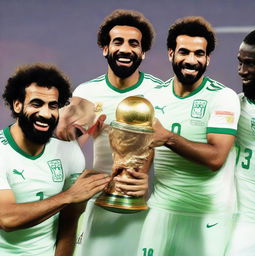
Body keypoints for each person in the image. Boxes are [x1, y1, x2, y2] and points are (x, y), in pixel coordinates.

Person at [55, 9, 163, 256]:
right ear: (105, 49)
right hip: (101, 202)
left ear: (142, 52)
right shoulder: (87, 92)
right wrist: (66, 129)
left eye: (133, 44)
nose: (125, 49)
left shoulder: (160, 91)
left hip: (146, 203)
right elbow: (71, 142)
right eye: (118, 42)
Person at [137, 16, 241, 256]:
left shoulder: (222, 97)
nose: (192, 60)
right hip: (160, 211)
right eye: (184, 52)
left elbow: (216, 158)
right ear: (171, 53)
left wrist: (169, 138)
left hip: (209, 217)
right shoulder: (152, 98)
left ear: (208, 58)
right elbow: (143, 161)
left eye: (199, 54)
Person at [0, 64, 110, 256]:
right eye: (36, 104)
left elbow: (69, 221)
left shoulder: (69, 152)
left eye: (53, 106)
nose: (46, 114)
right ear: (17, 105)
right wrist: (69, 196)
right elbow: (6, 219)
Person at [225, 30, 255, 256]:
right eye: (240, 62)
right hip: (236, 223)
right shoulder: (232, 106)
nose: (242, 71)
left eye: (250, 64)